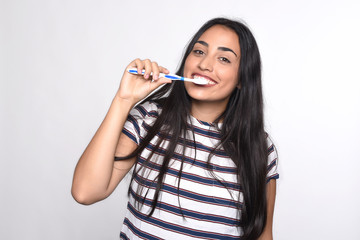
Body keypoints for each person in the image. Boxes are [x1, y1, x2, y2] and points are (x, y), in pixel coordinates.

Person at [71, 17, 279, 240]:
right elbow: (85, 192)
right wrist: (123, 100)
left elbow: (262, 235)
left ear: (242, 79)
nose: (205, 65)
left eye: (224, 59)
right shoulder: (149, 119)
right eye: (199, 52)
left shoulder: (259, 146)